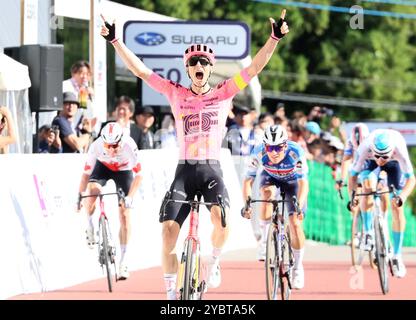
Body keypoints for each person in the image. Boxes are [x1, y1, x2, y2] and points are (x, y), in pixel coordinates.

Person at [101, 8, 289, 300]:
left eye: (203, 62)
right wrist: (115, 41)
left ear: (210, 68)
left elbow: (253, 69)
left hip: (211, 169)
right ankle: (170, 293)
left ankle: (212, 262)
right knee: (167, 233)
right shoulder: (175, 92)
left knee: (222, 220)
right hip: (185, 170)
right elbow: (141, 70)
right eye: (193, 62)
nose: (198, 65)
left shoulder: (223, 92)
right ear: (187, 69)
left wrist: (274, 38)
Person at [241, 125, 309, 289]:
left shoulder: (296, 152)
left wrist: (299, 204)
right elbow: (248, 181)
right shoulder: (258, 152)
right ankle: (265, 240)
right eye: (270, 147)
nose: (274, 152)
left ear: (285, 145)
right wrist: (247, 204)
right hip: (270, 178)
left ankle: (298, 268)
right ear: (265, 146)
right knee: (266, 194)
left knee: (295, 224)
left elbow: (303, 183)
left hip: (293, 183)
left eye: (278, 147)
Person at [77, 122, 142, 280]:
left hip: (124, 171)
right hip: (103, 167)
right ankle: (90, 226)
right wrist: (79, 195)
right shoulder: (97, 146)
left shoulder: (129, 145)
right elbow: (86, 175)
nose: (111, 149)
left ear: (121, 140)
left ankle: (123, 261)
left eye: (115, 146)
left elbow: (139, 175)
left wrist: (130, 197)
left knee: (125, 216)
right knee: (92, 192)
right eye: (108, 145)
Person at [350, 129, 415, 278]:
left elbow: (411, 180)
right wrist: (353, 196)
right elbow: (352, 176)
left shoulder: (399, 150)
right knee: (366, 186)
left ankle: (397, 256)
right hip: (369, 163)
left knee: (397, 207)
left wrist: (402, 197)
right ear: (372, 150)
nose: (380, 159)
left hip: (394, 165)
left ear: (391, 151)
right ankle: (368, 232)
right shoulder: (365, 148)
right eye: (377, 155)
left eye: (384, 156)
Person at [62, 61, 97, 134]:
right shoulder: (65, 86)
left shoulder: (86, 90)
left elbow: (88, 113)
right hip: (65, 129)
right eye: (82, 73)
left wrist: (91, 99)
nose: (85, 77)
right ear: (73, 73)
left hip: (79, 130)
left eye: (87, 74)